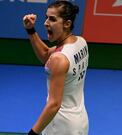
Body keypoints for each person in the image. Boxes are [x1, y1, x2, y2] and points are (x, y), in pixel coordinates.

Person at [23, 1, 89, 135]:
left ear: (67, 24)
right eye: (46, 17)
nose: (46, 23)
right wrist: (31, 30)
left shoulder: (59, 59)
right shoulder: (81, 42)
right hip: (79, 121)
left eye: (52, 19)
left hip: (60, 126)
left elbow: (54, 104)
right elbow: (46, 55)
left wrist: (33, 133)